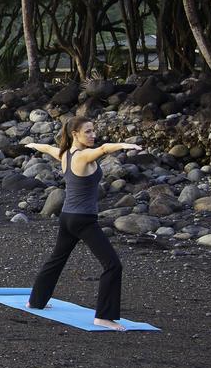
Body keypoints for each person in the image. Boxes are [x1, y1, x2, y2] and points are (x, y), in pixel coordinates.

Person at [24, 116, 141, 330]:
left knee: (57, 259)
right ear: (74, 134)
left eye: (93, 130)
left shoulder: (64, 154)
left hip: (67, 217)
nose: (92, 134)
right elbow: (104, 149)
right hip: (83, 220)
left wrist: (33, 145)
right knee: (113, 265)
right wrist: (124, 145)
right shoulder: (83, 156)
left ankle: (35, 301)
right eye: (87, 131)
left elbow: (47, 148)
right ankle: (103, 317)